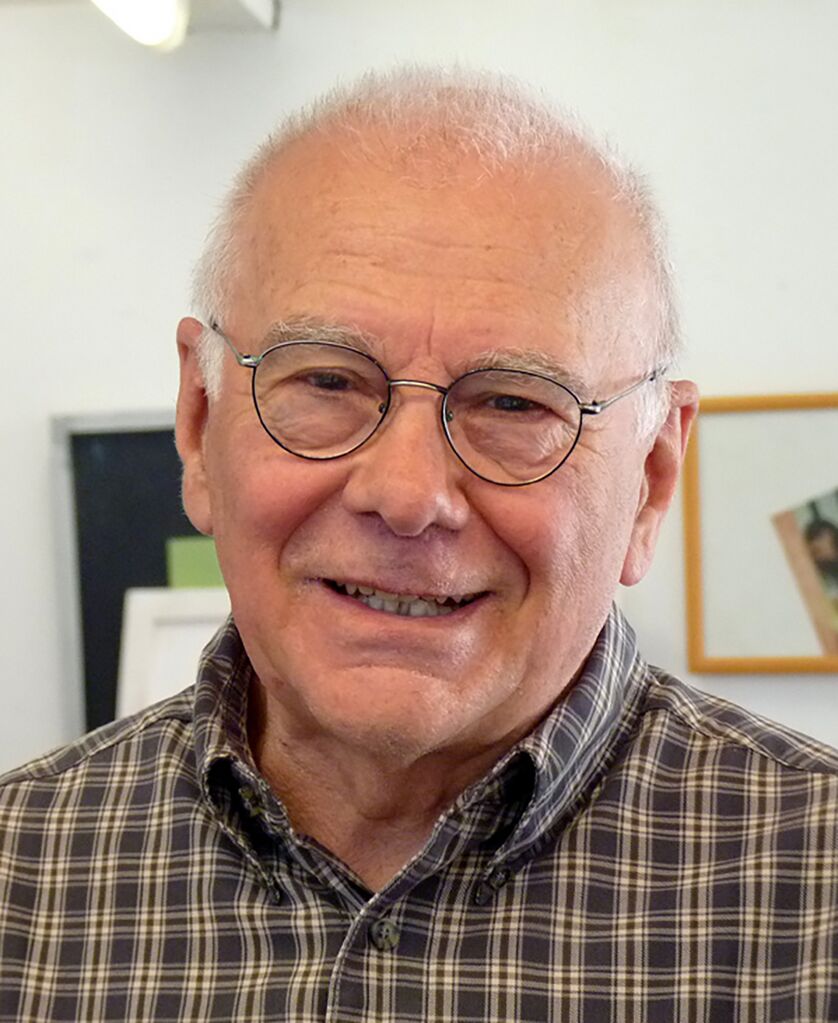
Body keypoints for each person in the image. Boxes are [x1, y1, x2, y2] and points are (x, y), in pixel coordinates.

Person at [1, 67, 836, 1022]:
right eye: (327, 383)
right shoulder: (21, 883)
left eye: (513, 404)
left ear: (650, 478)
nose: (407, 497)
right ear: (198, 422)